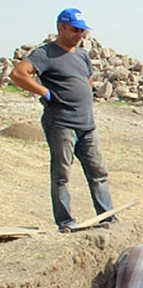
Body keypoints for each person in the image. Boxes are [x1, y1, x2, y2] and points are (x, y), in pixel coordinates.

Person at [9, 8, 115, 232]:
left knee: (99, 173)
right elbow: (18, 74)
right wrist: (44, 92)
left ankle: (107, 218)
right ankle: (66, 223)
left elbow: (86, 81)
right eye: (75, 30)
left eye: (82, 31)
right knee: (62, 175)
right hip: (61, 123)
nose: (79, 35)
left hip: (87, 125)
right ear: (61, 28)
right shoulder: (45, 54)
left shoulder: (82, 55)